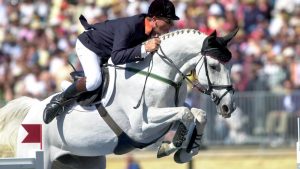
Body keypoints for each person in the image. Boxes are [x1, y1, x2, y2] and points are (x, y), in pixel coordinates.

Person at [43, 0, 180, 124]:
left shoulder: (150, 30)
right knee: (94, 81)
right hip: (90, 46)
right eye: (168, 21)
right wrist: (144, 48)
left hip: (107, 51)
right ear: (155, 19)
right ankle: (59, 100)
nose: (170, 26)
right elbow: (117, 57)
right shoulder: (130, 26)